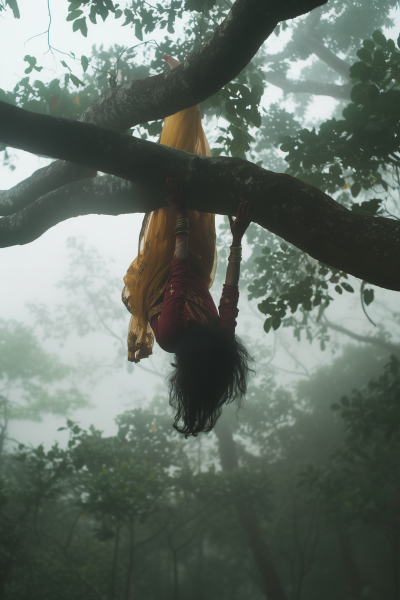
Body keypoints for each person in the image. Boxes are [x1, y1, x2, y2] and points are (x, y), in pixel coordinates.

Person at [122, 54, 255, 437]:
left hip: (170, 257)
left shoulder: (170, 336)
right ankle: (182, 95)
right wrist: (238, 237)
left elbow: (177, 271)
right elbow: (229, 293)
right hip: (199, 258)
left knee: (176, 169)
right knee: (194, 165)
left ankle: (181, 94)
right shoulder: (220, 341)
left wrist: (178, 212)